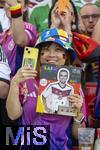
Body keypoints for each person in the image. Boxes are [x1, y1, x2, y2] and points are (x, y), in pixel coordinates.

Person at [6, 28, 86, 150]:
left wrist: (78, 114)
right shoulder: (26, 79)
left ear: (66, 56)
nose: (52, 55)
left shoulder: (75, 87)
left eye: (58, 50)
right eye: (46, 49)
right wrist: (14, 84)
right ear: (39, 54)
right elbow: (12, 115)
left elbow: (78, 135)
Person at [0, 0, 37, 77]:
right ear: (3, 5)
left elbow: (20, 41)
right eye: (10, 1)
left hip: (18, 85)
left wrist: (14, 7)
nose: (12, 4)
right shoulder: (2, 35)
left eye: (18, 2)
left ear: (25, 7)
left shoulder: (29, 28)